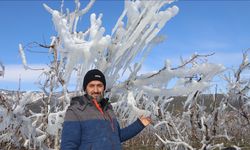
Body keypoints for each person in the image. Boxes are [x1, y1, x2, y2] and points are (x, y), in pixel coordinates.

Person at [61, 69, 151, 150]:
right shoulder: (75, 111)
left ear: (104, 88)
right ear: (85, 88)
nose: (96, 90)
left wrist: (139, 124)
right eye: (91, 86)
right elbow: (68, 146)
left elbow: (117, 136)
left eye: (99, 85)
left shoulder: (108, 109)